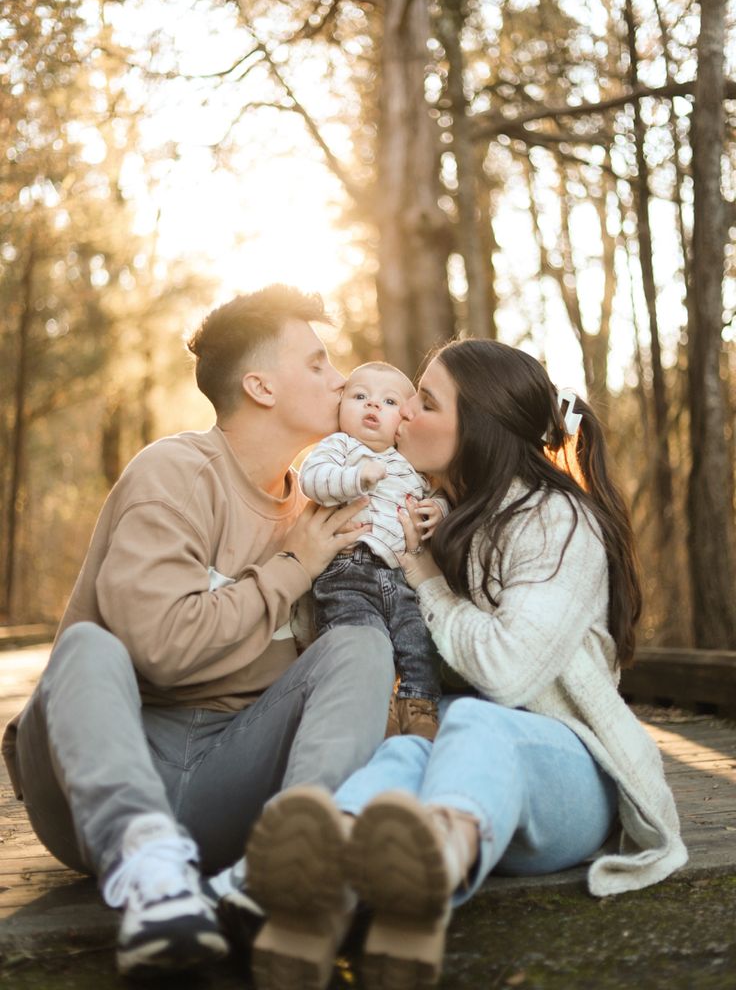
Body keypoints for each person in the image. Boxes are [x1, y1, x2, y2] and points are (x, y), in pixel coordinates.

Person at [241, 338, 688, 990]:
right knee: (399, 754)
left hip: (568, 782)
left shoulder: (556, 521)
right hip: (460, 759)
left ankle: (430, 872)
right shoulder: (434, 508)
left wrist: (425, 577)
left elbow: (505, 672)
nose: (404, 414)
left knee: (478, 722)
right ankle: (313, 895)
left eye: (424, 401)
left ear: (473, 426)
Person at [1, 285, 396, 978]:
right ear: (260, 385)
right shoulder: (175, 473)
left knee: (361, 642)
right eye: (318, 363)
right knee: (89, 646)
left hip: (231, 773)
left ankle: (286, 862)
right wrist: (292, 568)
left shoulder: (321, 504)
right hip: (101, 784)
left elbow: (337, 677)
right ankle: (152, 878)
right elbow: (163, 650)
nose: (341, 380)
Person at [300, 362, 448, 740]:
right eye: (360, 396)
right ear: (342, 406)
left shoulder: (410, 462)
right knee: (361, 637)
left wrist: (439, 509)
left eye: (388, 401)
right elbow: (312, 480)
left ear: (404, 418)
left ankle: (419, 707)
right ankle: (373, 704)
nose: (372, 406)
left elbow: (437, 495)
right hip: (348, 571)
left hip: (401, 576)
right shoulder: (340, 447)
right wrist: (356, 477)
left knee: (417, 639)